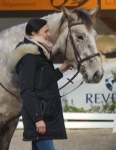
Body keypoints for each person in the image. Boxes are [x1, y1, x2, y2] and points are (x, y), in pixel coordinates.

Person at [8, 18, 71, 150]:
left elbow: (42, 81)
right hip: (40, 116)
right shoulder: (29, 56)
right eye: (46, 31)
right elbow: (27, 90)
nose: (49, 34)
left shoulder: (40, 53)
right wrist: (38, 119)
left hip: (45, 114)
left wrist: (60, 70)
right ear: (33, 33)